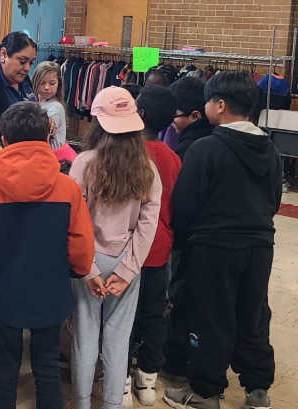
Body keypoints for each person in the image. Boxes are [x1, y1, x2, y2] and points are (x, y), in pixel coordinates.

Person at [0, 102, 95, 409]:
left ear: (4, 139)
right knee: (47, 365)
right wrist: (77, 269)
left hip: (4, 292)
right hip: (51, 291)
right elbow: (81, 243)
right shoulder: (68, 188)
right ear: (48, 136)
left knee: (5, 366)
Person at [164, 72, 281, 409]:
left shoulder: (205, 148)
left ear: (219, 105)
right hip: (260, 245)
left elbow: (184, 205)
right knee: (253, 313)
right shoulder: (270, 149)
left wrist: (182, 244)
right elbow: (274, 200)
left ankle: (205, 391)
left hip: (213, 247)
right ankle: (258, 389)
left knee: (211, 316)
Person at [69, 87, 162, 409]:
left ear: (98, 121)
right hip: (126, 259)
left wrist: (88, 269)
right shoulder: (148, 169)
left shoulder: (84, 163)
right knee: (119, 338)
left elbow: (74, 221)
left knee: (84, 335)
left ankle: (81, 403)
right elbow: (147, 226)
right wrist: (128, 270)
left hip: (89, 259)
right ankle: (112, 404)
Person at [129, 86, 181, 406]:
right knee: (153, 313)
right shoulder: (173, 158)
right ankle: (148, 378)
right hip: (160, 248)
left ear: (140, 113)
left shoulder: (126, 152)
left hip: (127, 249)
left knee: (123, 316)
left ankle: (120, 379)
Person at [162, 76, 214, 385]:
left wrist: (177, 236)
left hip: (191, 240)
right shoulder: (215, 141)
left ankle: (178, 363)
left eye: (176, 116)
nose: (173, 122)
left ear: (195, 115)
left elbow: (180, 202)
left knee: (183, 298)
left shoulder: (189, 149)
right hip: (214, 242)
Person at [169, 77, 214, 161]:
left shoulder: (185, 150)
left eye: (174, 115)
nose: (170, 121)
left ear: (195, 116)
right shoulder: (219, 137)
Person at [32, 61, 67, 150]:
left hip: (52, 154)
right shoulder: (34, 103)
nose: (46, 87)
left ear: (58, 84)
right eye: (42, 83)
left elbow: (41, 134)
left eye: (52, 83)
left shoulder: (55, 107)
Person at [146, 64, 181, 150]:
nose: (150, 92)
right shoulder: (142, 111)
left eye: (157, 88)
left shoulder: (173, 120)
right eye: (147, 86)